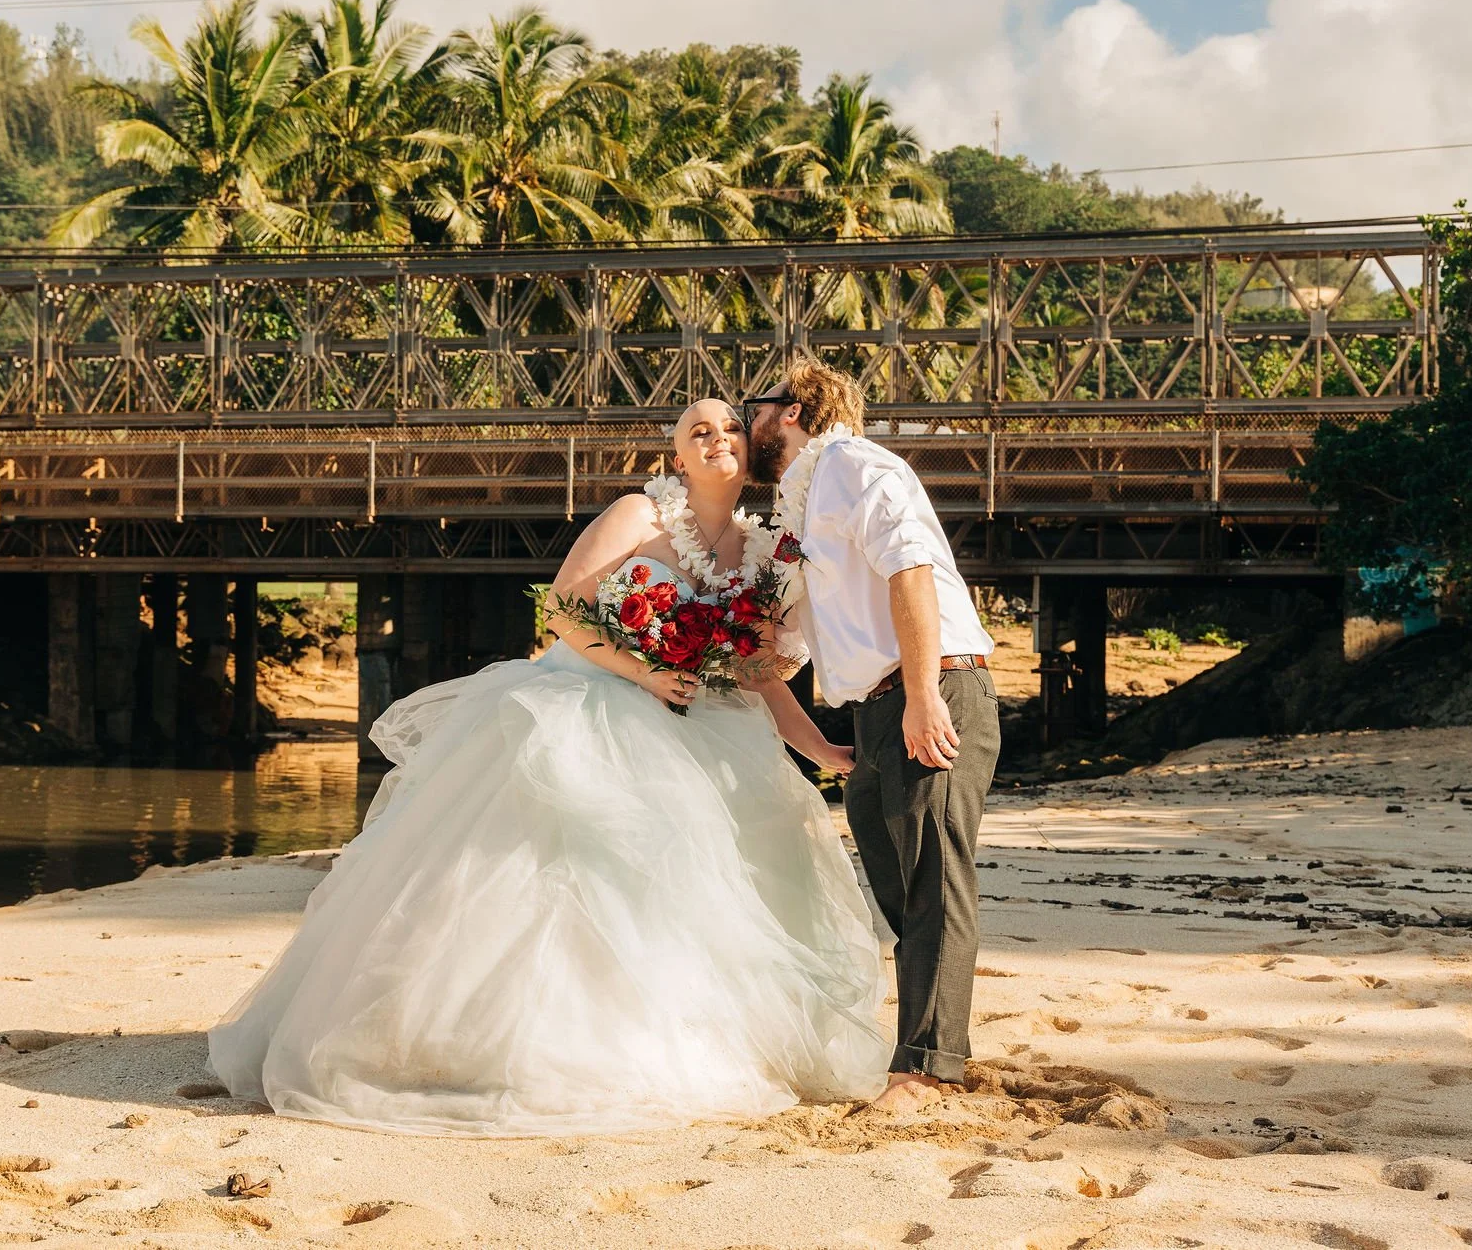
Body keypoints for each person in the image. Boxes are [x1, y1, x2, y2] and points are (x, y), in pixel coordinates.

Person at [207, 398, 892, 1135]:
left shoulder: (760, 554)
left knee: (700, 881)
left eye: (729, 428)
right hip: (597, 697)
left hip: (702, 720)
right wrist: (646, 675)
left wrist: (816, 746)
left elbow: (757, 670)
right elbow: (562, 609)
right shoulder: (641, 514)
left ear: (746, 454)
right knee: (556, 872)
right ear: (676, 459)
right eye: (699, 431)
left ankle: (664, 1034)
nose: (718, 436)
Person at [741, 360, 1001, 1111]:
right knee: (898, 880)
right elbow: (786, 647)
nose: (746, 421)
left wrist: (923, 695)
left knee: (932, 881)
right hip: (874, 710)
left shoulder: (852, 465)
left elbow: (910, 568)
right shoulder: (801, 509)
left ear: (791, 411)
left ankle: (925, 1070)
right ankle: (939, 1043)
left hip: (933, 684)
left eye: (753, 408)